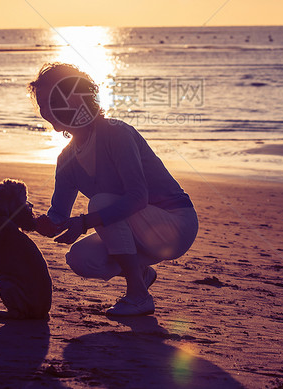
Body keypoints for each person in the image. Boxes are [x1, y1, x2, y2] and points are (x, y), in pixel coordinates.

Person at [30, 63, 199, 317]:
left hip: (175, 224)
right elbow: (59, 215)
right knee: (79, 258)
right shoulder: (66, 160)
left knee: (100, 203)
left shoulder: (116, 134)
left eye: (50, 100)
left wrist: (86, 222)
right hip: (139, 234)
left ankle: (138, 295)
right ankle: (140, 273)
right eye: (41, 104)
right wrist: (35, 222)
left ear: (74, 97)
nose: (45, 110)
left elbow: (138, 197)